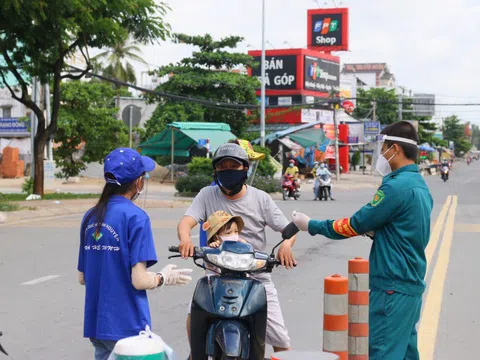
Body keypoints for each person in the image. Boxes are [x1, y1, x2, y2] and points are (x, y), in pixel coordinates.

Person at [291, 121, 433, 360]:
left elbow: (355, 224)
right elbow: (407, 230)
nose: (381, 154)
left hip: (391, 286)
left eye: (384, 147)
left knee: (382, 353)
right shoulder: (420, 186)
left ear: (395, 149)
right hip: (410, 285)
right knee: (407, 354)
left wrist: (311, 225)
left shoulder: (396, 187)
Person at [178, 143, 296, 355]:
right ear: (215, 171)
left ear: (245, 169)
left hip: (256, 276)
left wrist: (286, 244)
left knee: (282, 341)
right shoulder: (207, 195)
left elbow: (289, 229)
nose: (228, 171)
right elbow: (186, 222)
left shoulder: (261, 199)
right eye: (223, 167)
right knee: (192, 318)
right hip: (215, 273)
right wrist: (185, 240)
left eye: (234, 166)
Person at [78, 148, 193, 360]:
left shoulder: (90, 216)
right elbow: (139, 281)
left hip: (96, 324)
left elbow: (82, 277)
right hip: (127, 325)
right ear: (138, 182)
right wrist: (163, 278)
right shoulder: (136, 217)